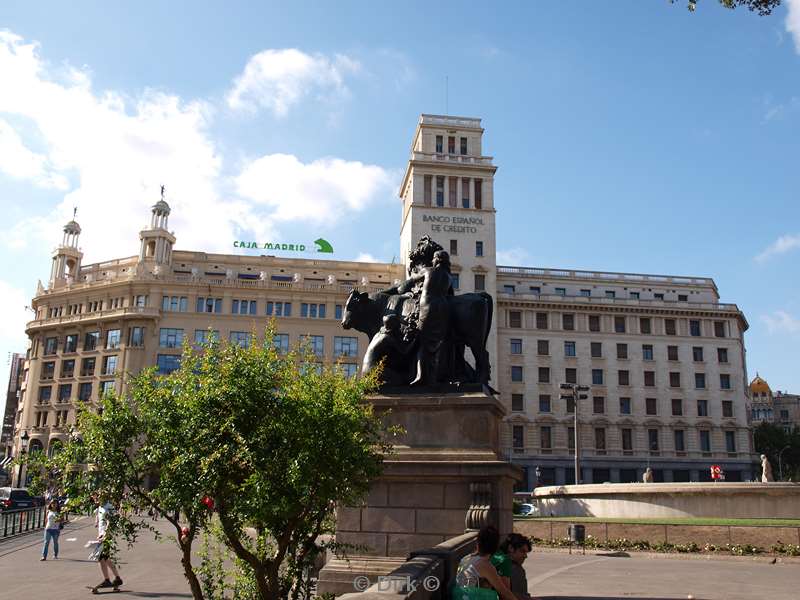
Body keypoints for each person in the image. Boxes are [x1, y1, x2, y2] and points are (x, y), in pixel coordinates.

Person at [454, 525, 517, 600]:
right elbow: (504, 592)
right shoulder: (485, 565)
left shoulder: (465, 558)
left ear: (478, 543)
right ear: (496, 546)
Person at [94, 497, 123, 590]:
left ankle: (107, 580)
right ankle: (117, 578)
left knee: (101, 557)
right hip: (102, 535)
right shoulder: (101, 507)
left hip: (107, 535)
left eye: (97, 497)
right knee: (105, 558)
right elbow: (100, 519)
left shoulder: (108, 507)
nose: (95, 499)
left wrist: (105, 535)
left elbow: (111, 522)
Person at [496, 534, 532, 600]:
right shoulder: (514, 568)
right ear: (511, 548)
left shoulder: (495, 557)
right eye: (522, 551)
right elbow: (512, 595)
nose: (525, 556)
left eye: (526, 552)